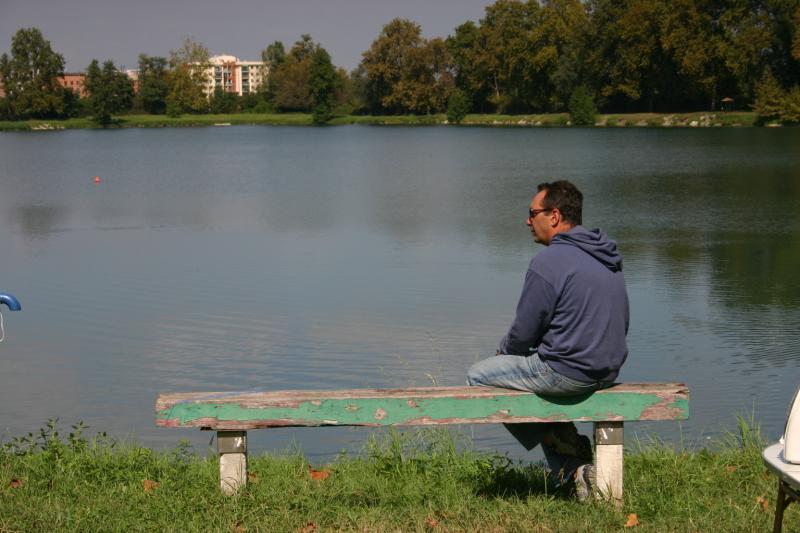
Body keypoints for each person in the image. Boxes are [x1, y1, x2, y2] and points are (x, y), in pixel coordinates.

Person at [466, 180, 629, 500]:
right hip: (607, 369)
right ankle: (572, 455)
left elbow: (524, 332)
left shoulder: (549, 261)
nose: (527, 221)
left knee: (479, 376)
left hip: (567, 372)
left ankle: (570, 463)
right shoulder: (607, 254)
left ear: (554, 216)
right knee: (526, 371)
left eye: (532, 213)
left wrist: (504, 354)